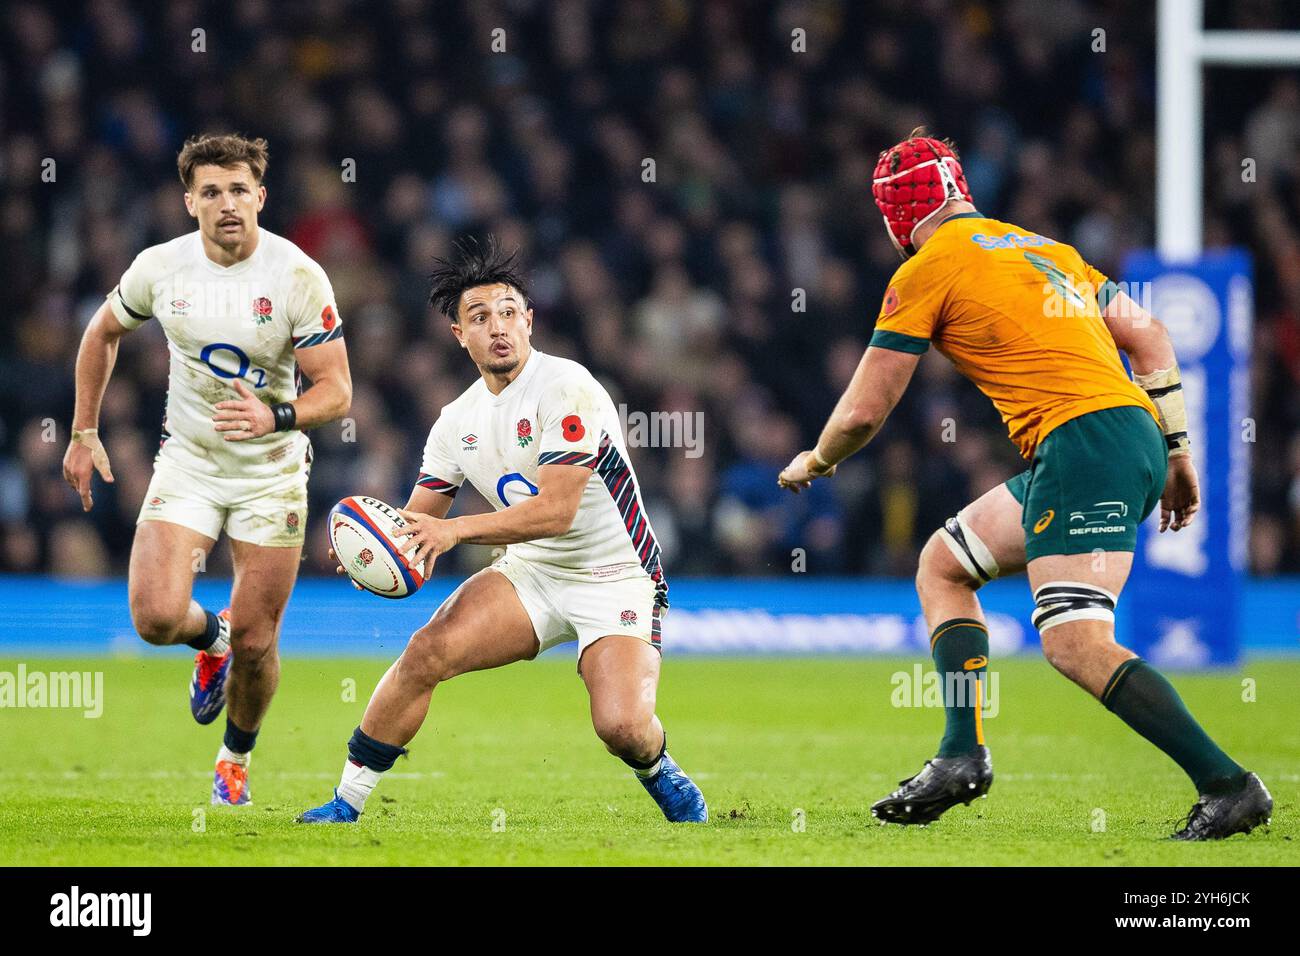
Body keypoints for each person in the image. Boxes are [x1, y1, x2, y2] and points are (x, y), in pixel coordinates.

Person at [777, 128, 1271, 841]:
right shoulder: (1044, 247)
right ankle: (959, 756)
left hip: (1083, 443)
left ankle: (1228, 784)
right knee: (944, 565)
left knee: (1074, 642)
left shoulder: (925, 271)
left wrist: (816, 460)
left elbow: (862, 411)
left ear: (896, 216)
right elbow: (1152, 335)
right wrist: (1179, 452)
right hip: (1119, 433)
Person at [297, 237, 706, 824]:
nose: (498, 327)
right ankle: (346, 801)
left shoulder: (569, 387)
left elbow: (554, 513)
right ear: (458, 334)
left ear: (530, 321)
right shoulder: (454, 422)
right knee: (424, 653)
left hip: (615, 576)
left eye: (510, 312)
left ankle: (657, 768)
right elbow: (420, 524)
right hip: (532, 573)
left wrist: (455, 532)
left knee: (621, 726)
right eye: (480, 317)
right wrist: (376, 551)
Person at [62, 133, 352, 805]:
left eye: (240, 189)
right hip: (189, 460)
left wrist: (274, 418)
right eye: (213, 191)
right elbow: (100, 333)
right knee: (156, 617)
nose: (228, 203)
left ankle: (234, 761)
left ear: (261, 196)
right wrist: (82, 431)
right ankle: (209, 639)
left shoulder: (298, 276)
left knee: (259, 643)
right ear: (189, 201)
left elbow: (337, 391)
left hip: (271, 468)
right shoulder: (161, 269)